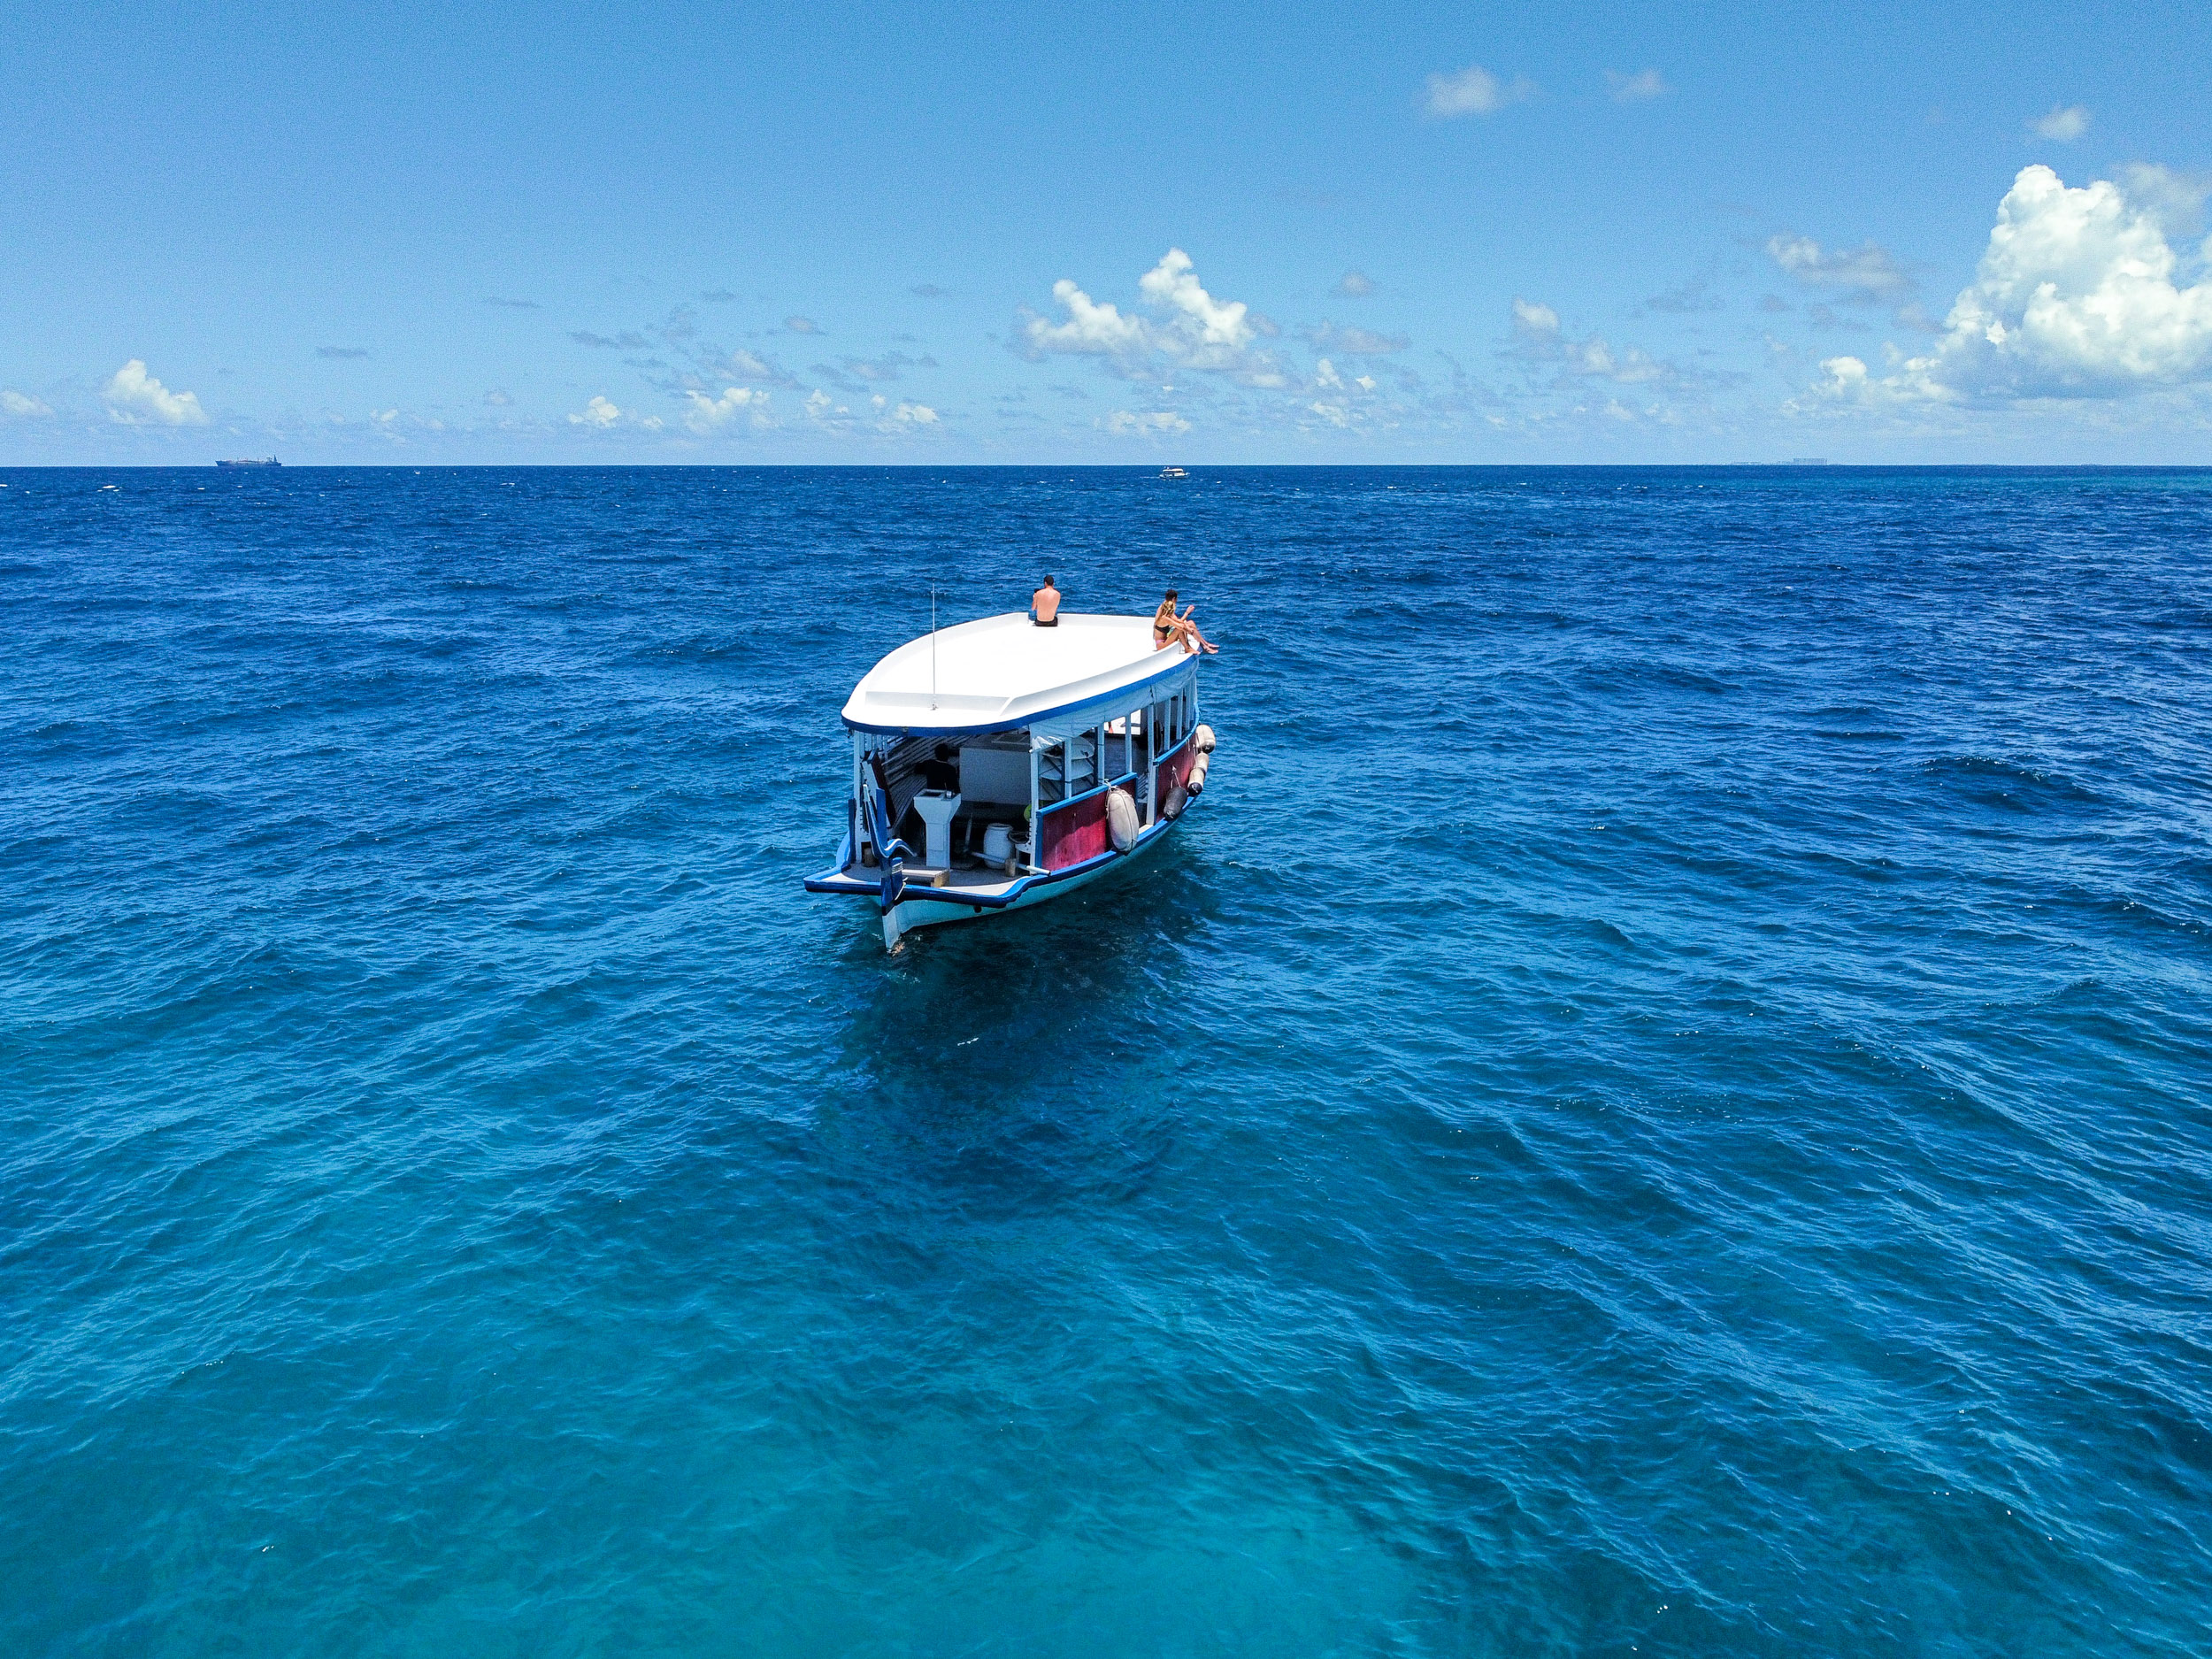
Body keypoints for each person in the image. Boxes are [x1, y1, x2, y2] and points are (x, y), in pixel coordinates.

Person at [1151, 588, 1218, 655]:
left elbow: (1178, 622)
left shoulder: (1165, 607)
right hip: (1162, 645)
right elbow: (1179, 625)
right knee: (1180, 629)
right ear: (1174, 599)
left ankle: (1205, 645)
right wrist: (1187, 619)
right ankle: (1188, 648)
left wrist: (1187, 624)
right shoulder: (1165, 613)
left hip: (1166, 638)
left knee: (1190, 623)